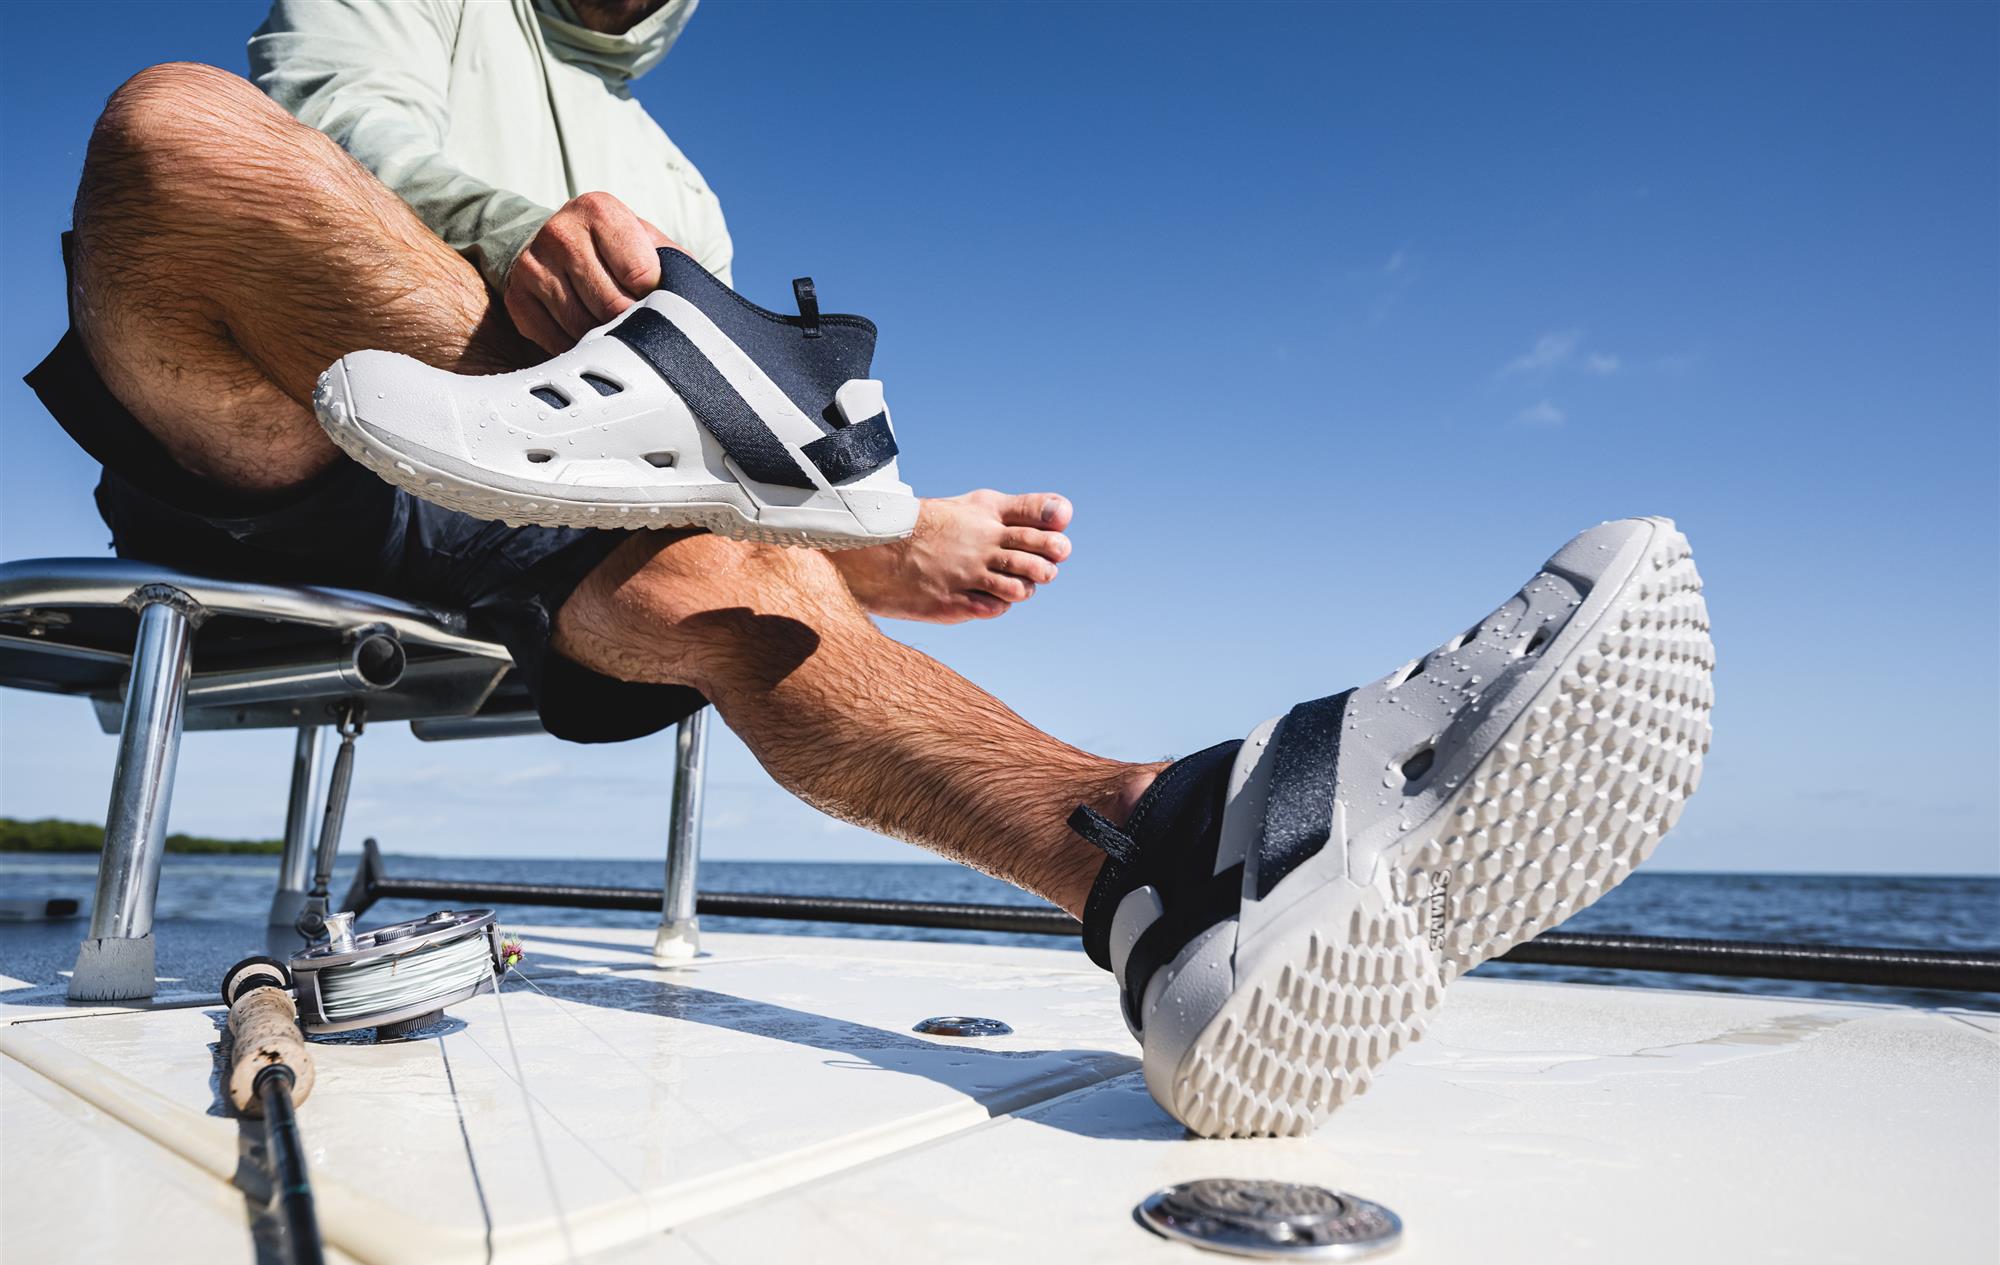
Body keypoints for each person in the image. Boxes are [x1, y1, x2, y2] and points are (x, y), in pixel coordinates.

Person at [23, 4, 1715, 1138]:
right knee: (182, 135)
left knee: (724, 585)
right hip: (306, 437)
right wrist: (501, 229)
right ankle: (843, 514)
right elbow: (317, 107)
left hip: (542, 530)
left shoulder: (676, 178)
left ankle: (1160, 852)